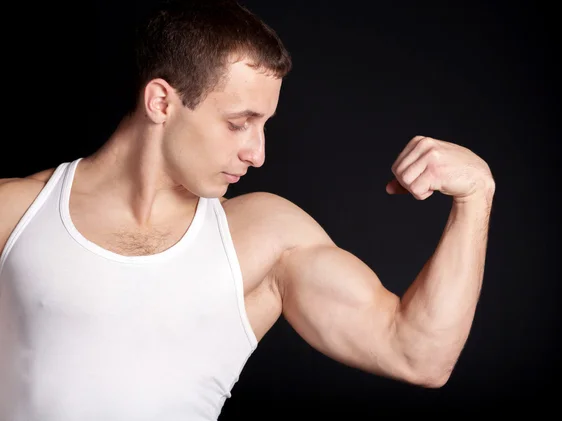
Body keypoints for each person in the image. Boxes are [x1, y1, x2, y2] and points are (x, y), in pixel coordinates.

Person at [0, 0, 495, 419]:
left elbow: (418, 355)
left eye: (264, 126)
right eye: (239, 123)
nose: (257, 154)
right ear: (161, 102)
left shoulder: (263, 238)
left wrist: (476, 196)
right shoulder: (15, 211)